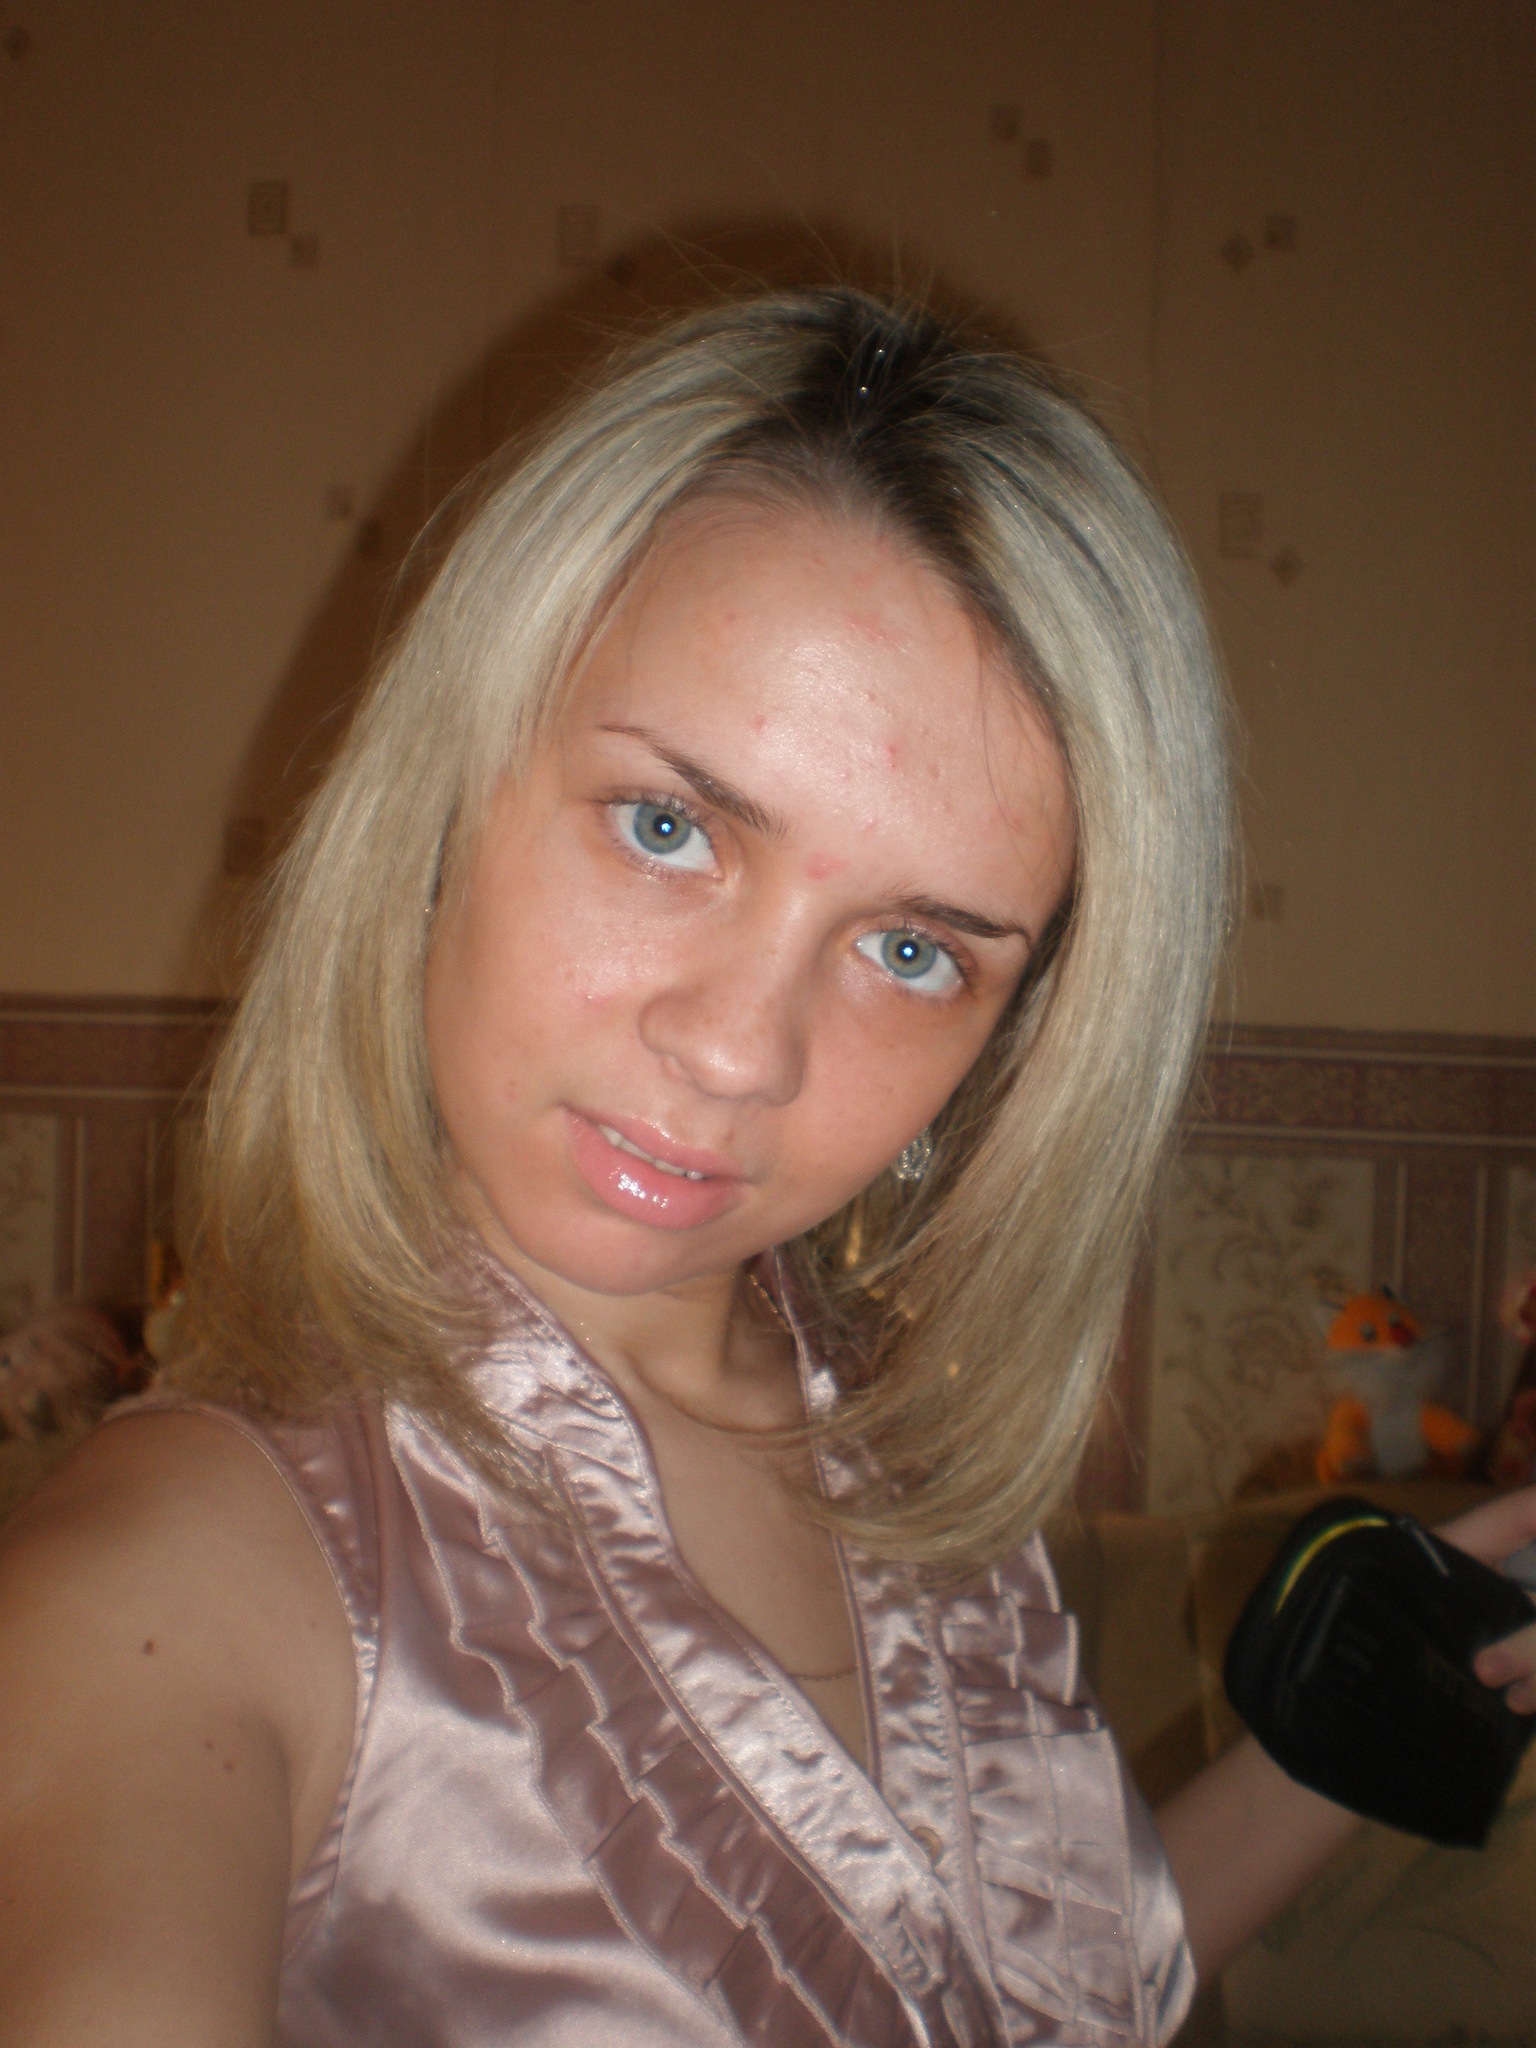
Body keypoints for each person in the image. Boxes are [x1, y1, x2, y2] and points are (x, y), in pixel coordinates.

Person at [2, 288, 1533, 2048]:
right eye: (668, 827)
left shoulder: (883, 1447)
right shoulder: (183, 1577)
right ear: (446, 792)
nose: (740, 1051)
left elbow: (987, 1994)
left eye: (913, 950)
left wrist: (1345, 1742)